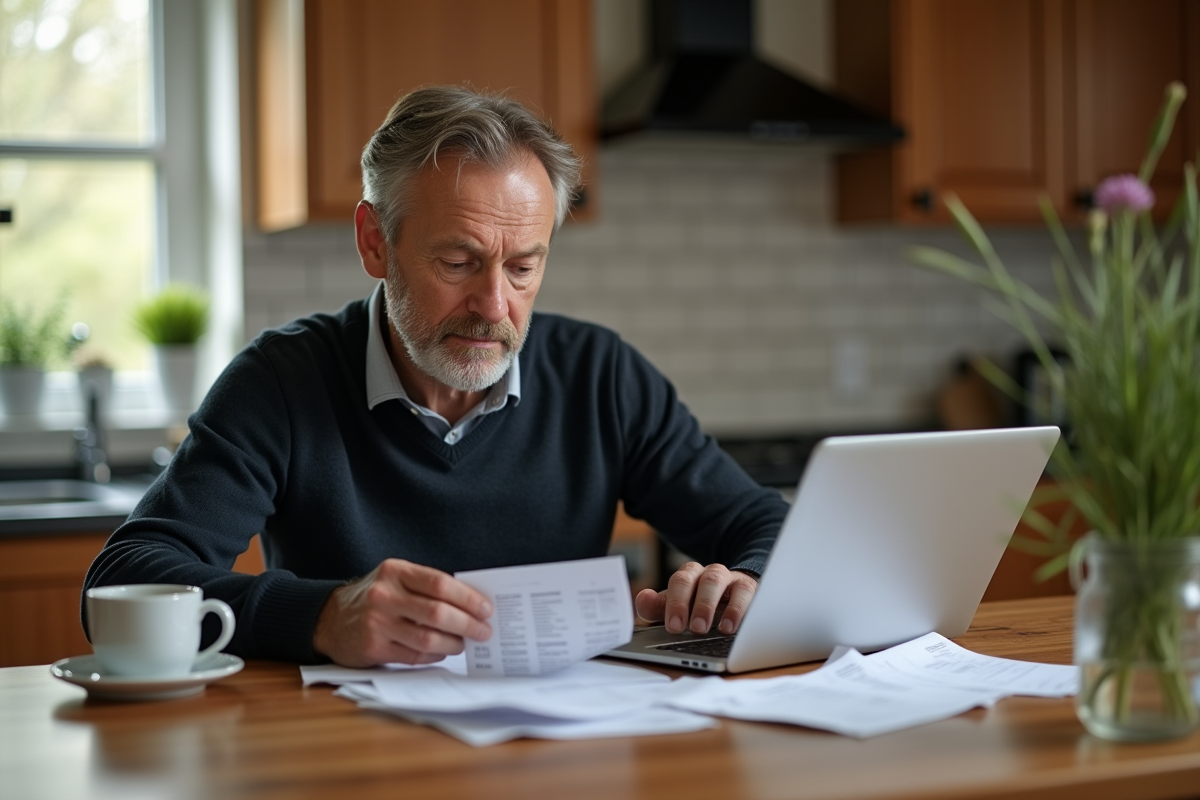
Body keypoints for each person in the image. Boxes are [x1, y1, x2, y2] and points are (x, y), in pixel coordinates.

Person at [83, 86, 788, 667]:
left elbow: (761, 521)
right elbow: (122, 581)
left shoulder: (601, 374)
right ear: (374, 242)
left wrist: (744, 580)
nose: (493, 307)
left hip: (558, 750)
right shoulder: (281, 382)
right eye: (457, 263)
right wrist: (323, 616)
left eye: (523, 267)